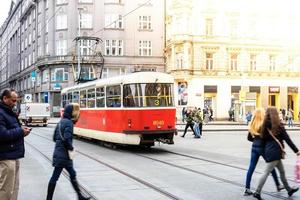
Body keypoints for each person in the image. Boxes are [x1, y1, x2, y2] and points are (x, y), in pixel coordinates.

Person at [253, 107, 300, 200]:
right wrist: (296, 150)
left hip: (271, 152)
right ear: (275, 114)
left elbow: (262, 140)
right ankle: (257, 192)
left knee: (282, 172)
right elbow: (287, 139)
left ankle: (289, 189)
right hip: (275, 153)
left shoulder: (264, 126)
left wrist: (264, 151)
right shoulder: (279, 126)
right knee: (266, 172)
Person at [46, 103, 90, 200]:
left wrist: (61, 144)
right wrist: (71, 148)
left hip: (59, 153)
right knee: (57, 176)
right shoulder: (69, 123)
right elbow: (67, 139)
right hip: (64, 155)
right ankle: (79, 196)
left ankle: (80, 196)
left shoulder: (61, 122)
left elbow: (54, 138)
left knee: (70, 174)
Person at [244, 108, 283, 196]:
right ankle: (278, 185)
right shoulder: (263, 124)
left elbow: (249, 138)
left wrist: (255, 140)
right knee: (271, 165)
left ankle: (247, 188)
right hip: (262, 148)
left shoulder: (252, 124)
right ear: (262, 115)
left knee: (251, 167)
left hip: (254, 147)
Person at [0, 89, 31, 200]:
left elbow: (12, 130)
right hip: (6, 156)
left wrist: (22, 132)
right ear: (5, 98)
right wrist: (20, 132)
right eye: (13, 100)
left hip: (13, 155)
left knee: (14, 187)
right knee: (6, 189)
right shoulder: (1, 113)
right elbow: (2, 134)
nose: (14, 103)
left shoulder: (8, 112)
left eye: (16, 101)